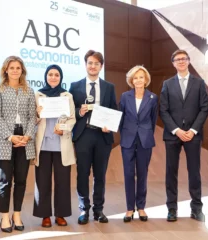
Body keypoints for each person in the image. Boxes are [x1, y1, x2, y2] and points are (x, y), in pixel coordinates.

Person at [160, 49, 208, 222]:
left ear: (189, 61)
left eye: (184, 59)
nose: (181, 61)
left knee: (194, 172)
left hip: (193, 135)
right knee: (170, 172)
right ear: (173, 63)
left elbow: (204, 108)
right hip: (173, 135)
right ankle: (172, 209)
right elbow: (163, 110)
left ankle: (196, 209)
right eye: (177, 59)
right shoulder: (167, 84)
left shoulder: (199, 83)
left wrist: (193, 130)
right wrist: (176, 130)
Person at [69, 50, 117, 225]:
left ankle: (99, 210)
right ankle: (84, 210)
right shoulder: (75, 86)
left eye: (96, 63)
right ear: (85, 64)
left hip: (102, 136)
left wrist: (109, 125)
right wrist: (79, 112)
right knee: (82, 174)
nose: (93, 66)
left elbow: (114, 109)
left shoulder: (109, 87)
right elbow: (69, 111)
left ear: (101, 66)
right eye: (90, 63)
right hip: (83, 135)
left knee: (100, 176)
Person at [34, 64, 76, 227]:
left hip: (61, 145)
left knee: (63, 182)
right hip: (43, 145)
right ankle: (44, 215)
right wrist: (37, 113)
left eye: (56, 75)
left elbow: (72, 119)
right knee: (42, 182)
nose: (53, 77)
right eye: (50, 74)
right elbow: (32, 118)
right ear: (45, 76)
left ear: (61, 78)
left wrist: (63, 129)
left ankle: (60, 215)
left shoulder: (67, 96)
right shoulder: (38, 95)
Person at [0, 56, 36, 233]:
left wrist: (27, 136)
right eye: (11, 67)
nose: (15, 70)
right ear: (6, 70)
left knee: (21, 180)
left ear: (22, 71)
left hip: (24, 140)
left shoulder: (29, 91)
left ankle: (17, 214)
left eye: (18, 68)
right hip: (5, 140)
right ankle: (5, 216)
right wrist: (10, 136)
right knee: (5, 181)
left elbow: (31, 116)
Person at [119, 66, 158, 222]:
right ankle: (130, 208)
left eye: (141, 77)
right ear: (131, 80)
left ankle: (141, 207)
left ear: (146, 79)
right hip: (127, 139)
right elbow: (120, 118)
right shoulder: (124, 96)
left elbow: (154, 120)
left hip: (145, 140)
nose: (138, 80)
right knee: (128, 174)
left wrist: (146, 133)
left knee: (142, 174)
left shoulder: (153, 98)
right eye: (135, 78)